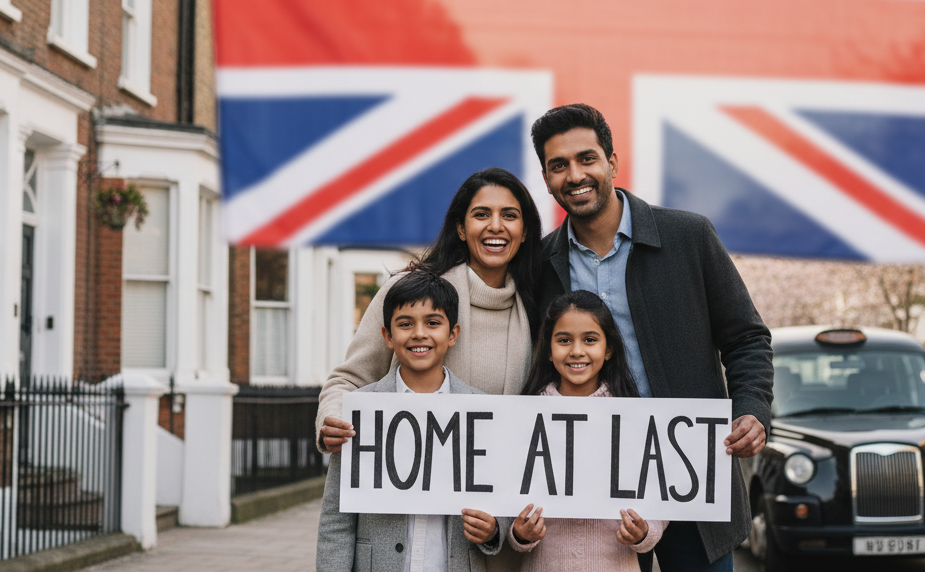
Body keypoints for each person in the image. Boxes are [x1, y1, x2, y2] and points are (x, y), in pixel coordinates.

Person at [529, 104, 774, 572]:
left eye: (587, 159)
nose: (574, 175)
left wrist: (751, 409)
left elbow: (746, 337)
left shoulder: (689, 236)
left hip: (689, 473)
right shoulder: (541, 265)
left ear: (613, 163)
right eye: (558, 165)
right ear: (546, 178)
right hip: (593, 490)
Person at [316, 167, 544, 452]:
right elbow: (349, 379)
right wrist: (334, 418)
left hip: (493, 484)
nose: (496, 226)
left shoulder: (539, 304)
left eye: (509, 215)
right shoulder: (409, 292)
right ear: (461, 228)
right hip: (407, 475)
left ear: (524, 232)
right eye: (481, 214)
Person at [317, 271, 507, 572]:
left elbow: (502, 496)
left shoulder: (481, 411)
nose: (419, 333)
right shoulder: (362, 410)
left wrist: (495, 528)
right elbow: (336, 519)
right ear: (388, 337)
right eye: (406, 324)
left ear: (453, 334)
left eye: (433, 322)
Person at [508, 290, 667, 571]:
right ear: (548, 349)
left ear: (608, 350)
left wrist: (645, 532)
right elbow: (506, 496)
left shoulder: (635, 419)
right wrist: (520, 535)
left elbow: (658, 494)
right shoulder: (523, 417)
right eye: (564, 340)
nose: (577, 351)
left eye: (590, 340)